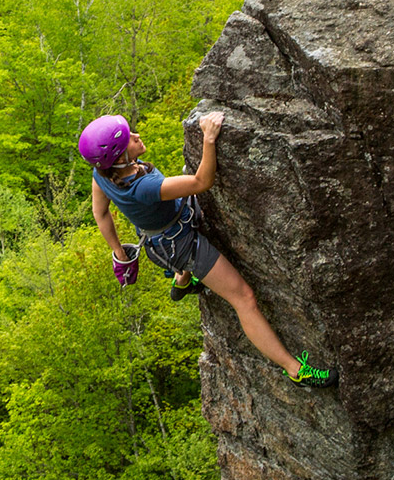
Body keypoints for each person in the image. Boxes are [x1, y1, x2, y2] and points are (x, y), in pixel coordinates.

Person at [82, 111, 335, 388]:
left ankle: (182, 279)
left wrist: (120, 254)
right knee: (244, 298)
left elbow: (100, 213)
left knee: (186, 255)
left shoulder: (103, 173)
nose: (137, 136)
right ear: (120, 158)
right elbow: (202, 182)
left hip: (160, 240)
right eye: (129, 138)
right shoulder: (143, 187)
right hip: (182, 244)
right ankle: (296, 371)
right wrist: (209, 138)